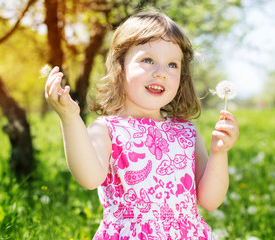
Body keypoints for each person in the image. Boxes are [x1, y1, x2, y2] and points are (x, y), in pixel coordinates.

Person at [45, 12, 239, 240]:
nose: (161, 73)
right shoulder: (107, 129)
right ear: (120, 65)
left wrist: (219, 152)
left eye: (172, 65)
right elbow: (89, 178)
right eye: (147, 60)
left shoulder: (186, 133)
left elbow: (210, 200)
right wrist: (69, 118)